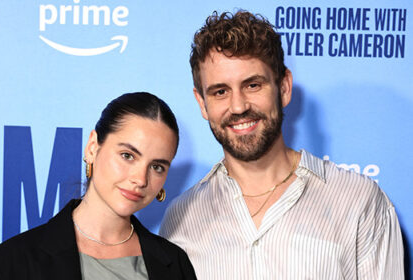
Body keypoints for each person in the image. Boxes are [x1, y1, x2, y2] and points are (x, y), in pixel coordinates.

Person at [159, 11, 404, 279]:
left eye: (253, 85)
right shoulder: (180, 219)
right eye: (220, 92)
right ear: (202, 103)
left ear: (284, 87)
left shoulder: (359, 201)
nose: (238, 106)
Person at [0, 92, 197, 280]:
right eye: (127, 156)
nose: (140, 179)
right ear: (92, 148)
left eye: (157, 167)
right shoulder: (12, 262)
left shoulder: (176, 264)